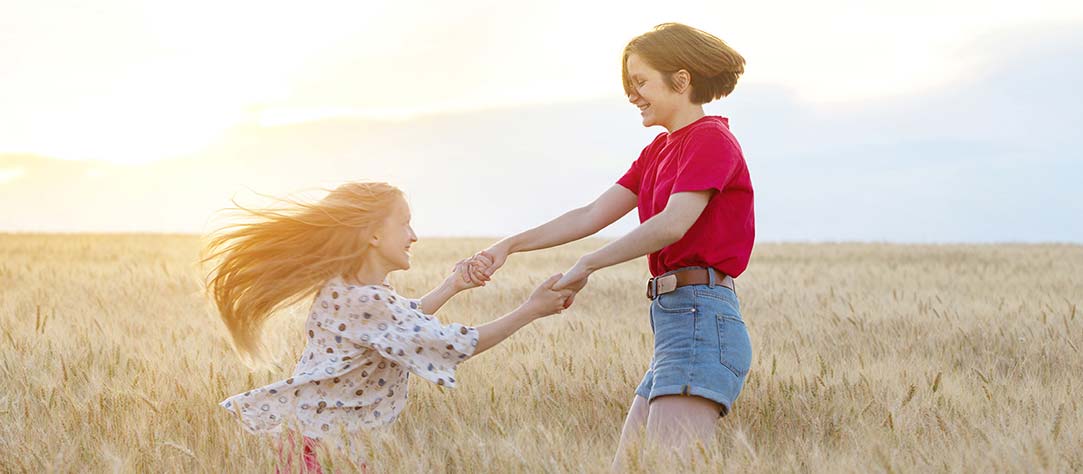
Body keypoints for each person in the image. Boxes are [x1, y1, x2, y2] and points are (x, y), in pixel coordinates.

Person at [472, 22, 755, 470]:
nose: (632, 95)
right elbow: (589, 215)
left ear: (680, 80)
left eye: (640, 82)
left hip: (703, 322)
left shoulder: (711, 140)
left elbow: (673, 224)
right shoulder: (658, 151)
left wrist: (589, 263)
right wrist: (510, 245)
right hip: (676, 324)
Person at [202, 182, 573, 472]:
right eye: (405, 222)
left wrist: (452, 286)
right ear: (373, 235)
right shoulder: (366, 301)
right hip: (326, 454)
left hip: (318, 447)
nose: (413, 235)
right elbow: (449, 345)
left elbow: (398, 326)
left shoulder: (349, 290)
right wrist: (531, 309)